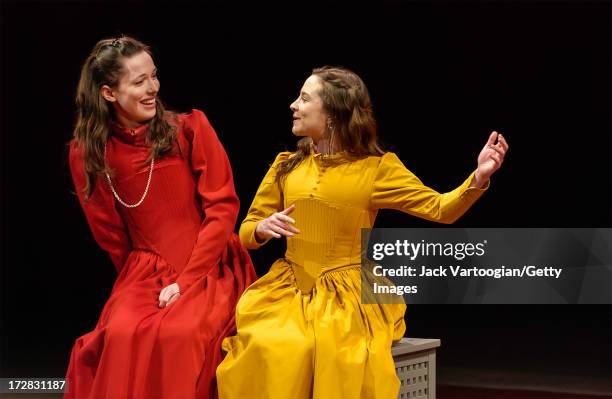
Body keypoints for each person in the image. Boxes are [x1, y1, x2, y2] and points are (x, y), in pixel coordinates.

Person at [216, 66, 508, 398]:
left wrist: (478, 178)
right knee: (273, 344)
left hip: (346, 294)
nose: (293, 105)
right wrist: (263, 229)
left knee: (331, 351)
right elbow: (246, 231)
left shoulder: (376, 170)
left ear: (331, 113)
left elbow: (440, 209)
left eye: (304, 98)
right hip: (288, 289)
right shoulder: (286, 165)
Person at [65, 36, 256, 399]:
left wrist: (185, 280)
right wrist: (140, 278)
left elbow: (223, 209)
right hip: (145, 270)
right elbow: (109, 233)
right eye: (139, 82)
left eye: (154, 76)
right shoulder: (88, 154)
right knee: (121, 333)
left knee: (178, 334)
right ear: (108, 93)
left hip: (210, 265)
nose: (153, 87)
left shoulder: (190, 128)